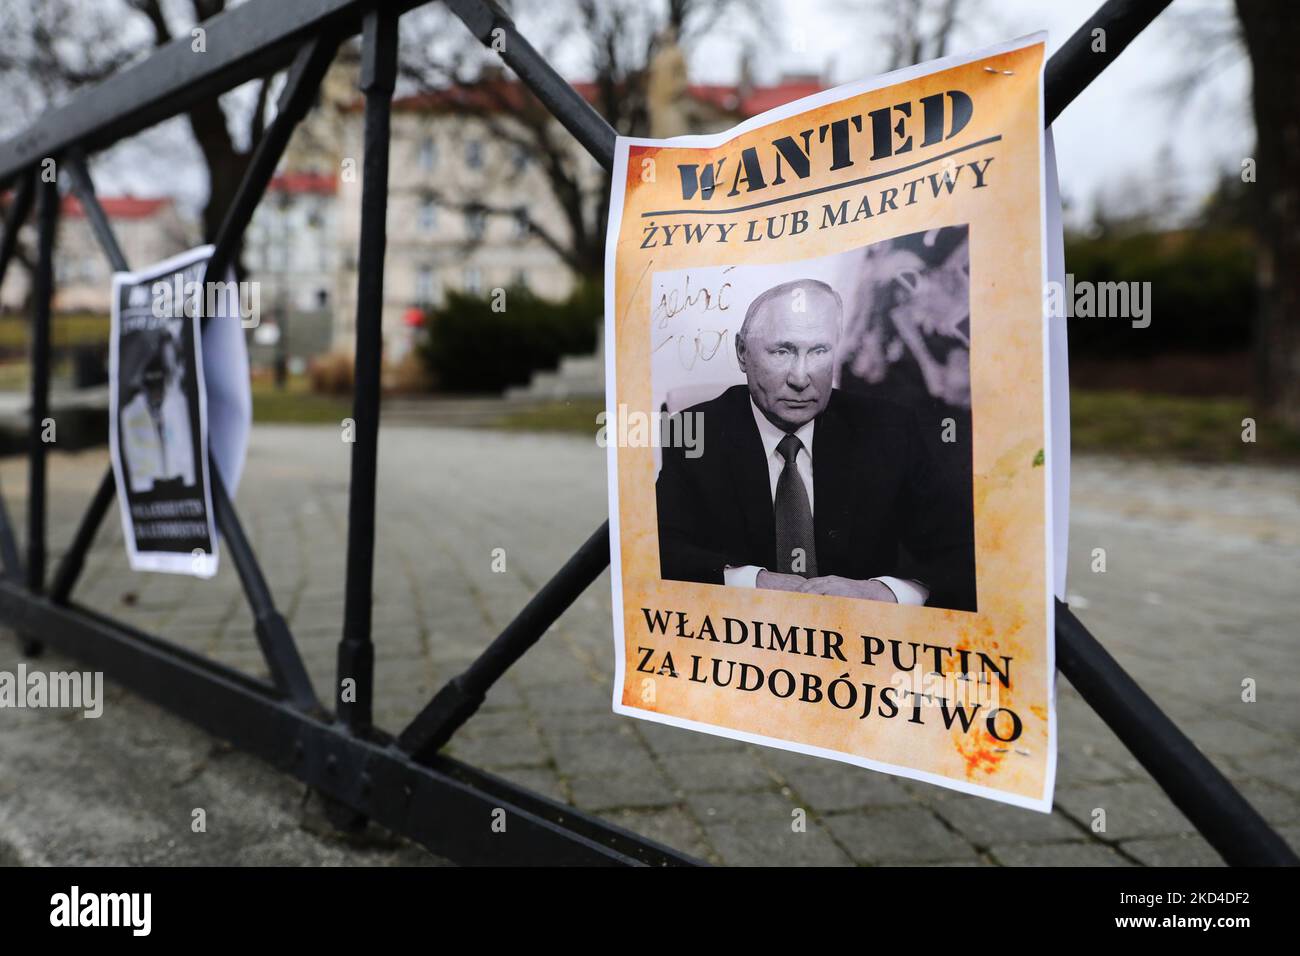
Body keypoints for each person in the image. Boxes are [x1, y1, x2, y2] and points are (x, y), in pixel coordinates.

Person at [656, 278, 977, 611]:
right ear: (742, 353)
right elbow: (659, 551)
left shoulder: (889, 430)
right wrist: (755, 582)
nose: (800, 377)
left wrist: (884, 593)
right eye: (783, 351)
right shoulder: (695, 431)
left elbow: (965, 552)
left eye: (819, 351)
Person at [119, 334, 196, 493]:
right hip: (152, 484)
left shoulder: (179, 405)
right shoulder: (132, 413)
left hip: (179, 481)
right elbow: (137, 461)